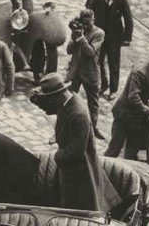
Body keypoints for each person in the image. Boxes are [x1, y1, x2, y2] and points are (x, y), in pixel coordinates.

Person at [30, 73, 118, 212]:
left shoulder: (78, 115)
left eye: (48, 99)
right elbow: (57, 114)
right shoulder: (68, 101)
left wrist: (57, 156)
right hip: (69, 167)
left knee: (80, 205)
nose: (48, 104)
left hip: (81, 171)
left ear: (56, 96)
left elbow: (76, 151)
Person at [88, 0, 134, 98]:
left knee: (114, 64)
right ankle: (104, 84)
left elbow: (128, 19)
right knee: (99, 62)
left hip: (114, 38)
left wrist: (127, 38)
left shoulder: (121, 1)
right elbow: (89, 12)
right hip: (100, 37)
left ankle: (113, 89)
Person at [66, 9, 105, 139]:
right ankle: (67, 127)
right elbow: (69, 50)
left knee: (93, 103)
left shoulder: (99, 33)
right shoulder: (78, 31)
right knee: (68, 99)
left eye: (89, 23)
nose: (86, 26)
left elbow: (91, 52)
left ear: (93, 20)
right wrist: (74, 36)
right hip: (76, 71)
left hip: (90, 72)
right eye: (84, 23)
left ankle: (92, 130)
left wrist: (81, 38)